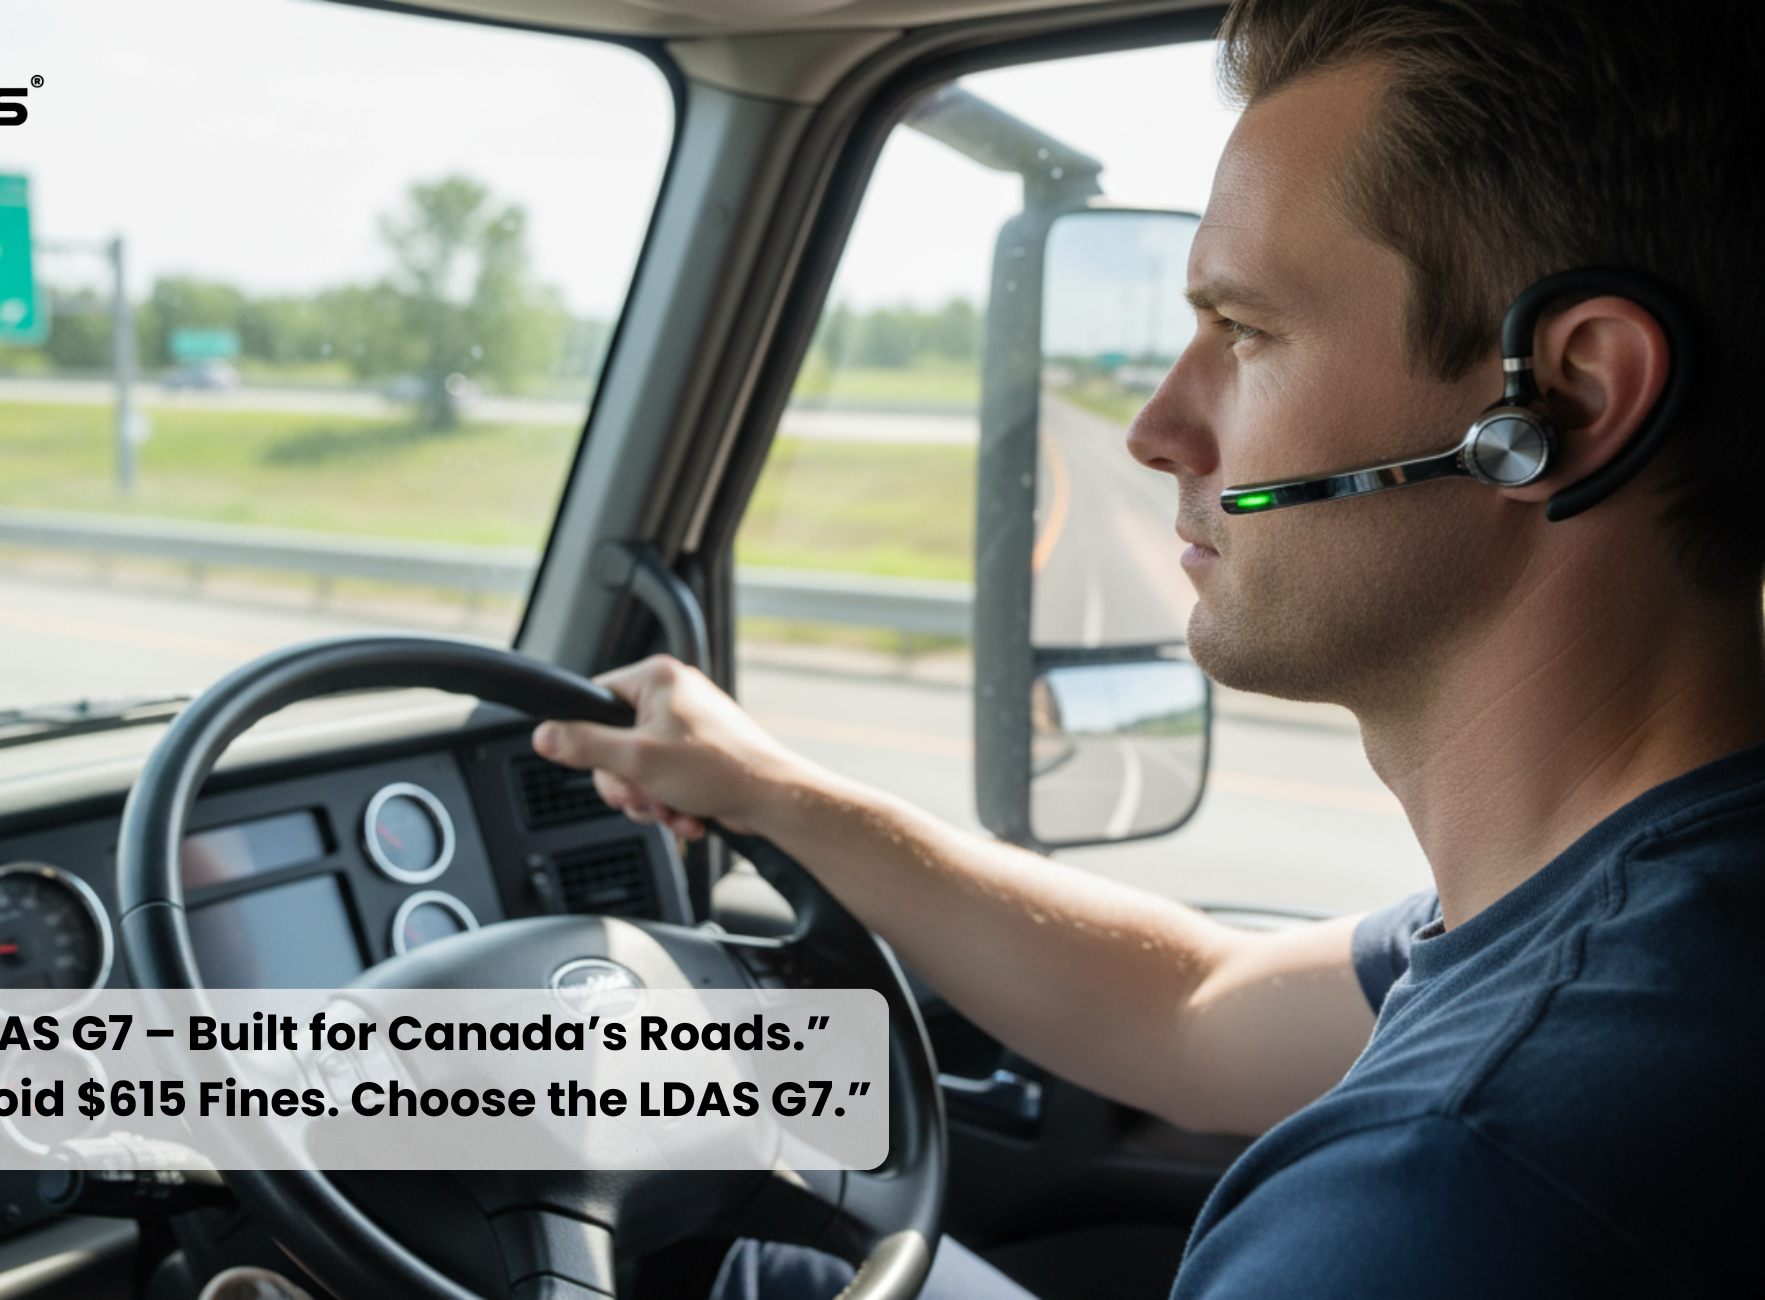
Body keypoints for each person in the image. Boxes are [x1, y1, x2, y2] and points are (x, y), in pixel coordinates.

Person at [536, 0, 1765, 1294]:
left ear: (1564, 400)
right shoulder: (1652, 906)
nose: (1155, 429)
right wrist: (766, 790)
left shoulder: (1443, 1193)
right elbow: (1193, 1008)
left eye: (1246, 332)